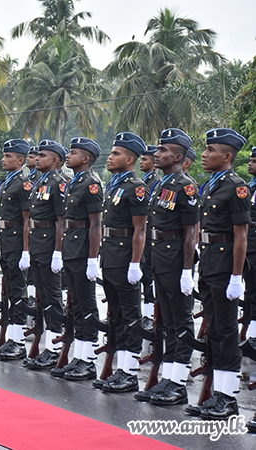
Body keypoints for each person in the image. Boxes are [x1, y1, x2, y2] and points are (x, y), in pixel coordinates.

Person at [186, 128, 248, 419]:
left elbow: (241, 236)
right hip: (210, 265)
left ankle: (228, 397)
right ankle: (216, 394)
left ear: (226, 156)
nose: (204, 154)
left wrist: (236, 276)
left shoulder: (236, 186)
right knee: (214, 332)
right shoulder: (210, 185)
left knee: (225, 332)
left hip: (225, 268)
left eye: (210, 150)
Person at [134, 128, 198, 406]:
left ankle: (179, 383)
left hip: (176, 259)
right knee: (168, 322)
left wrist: (186, 270)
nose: (156, 154)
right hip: (160, 256)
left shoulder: (186, 185)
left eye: (162, 150)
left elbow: (192, 232)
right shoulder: (161, 185)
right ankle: (167, 378)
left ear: (178, 156)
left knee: (181, 321)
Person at [94, 132, 148, 393]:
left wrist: (135, 263)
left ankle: (130, 372)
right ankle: (119, 369)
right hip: (111, 257)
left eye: (116, 153)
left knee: (130, 315)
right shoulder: (114, 185)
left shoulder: (135, 187)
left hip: (126, 256)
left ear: (129, 159)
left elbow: (140, 230)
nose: (110, 157)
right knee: (116, 314)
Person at [51, 137, 103, 380]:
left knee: (87, 305)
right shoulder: (74, 183)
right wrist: (60, 251)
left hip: (83, 250)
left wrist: (93, 258)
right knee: (76, 307)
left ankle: (89, 360)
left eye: (73, 153)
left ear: (85, 159)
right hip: (72, 248)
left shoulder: (91, 183)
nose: (68, 156)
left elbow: (95, 224)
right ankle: (79, 357)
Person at [21, 139, 67, 369]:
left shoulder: (58, 183)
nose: (37, 158)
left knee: (52, 298)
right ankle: (47, 345)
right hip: (38, 245)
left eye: (43, 155)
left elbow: (61, 221)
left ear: (56, 161)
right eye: (37, 155)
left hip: (50, 247)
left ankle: (55, 346)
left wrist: (58, 252)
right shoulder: (41, 182)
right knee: (42, 298)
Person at [0, 139, 31, 360]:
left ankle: (19, 342)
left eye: (8, 157)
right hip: (7, 242)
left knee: (19, 293)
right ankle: (11, 339)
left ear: (20, 160)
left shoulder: (23, 184)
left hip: (17, 243)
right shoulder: (5, 183)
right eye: (3, 156)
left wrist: (25, 250)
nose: (3, 159)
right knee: (11, 292)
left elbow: (27, 220)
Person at [140, 146, 162, 324]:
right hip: (142, 234)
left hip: (149, 235)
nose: (141, 161)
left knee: (149, 274)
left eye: (145, 159)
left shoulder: (156, 182)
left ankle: (149, 314)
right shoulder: (144, 181)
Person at [242, 147, 256, 356]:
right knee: (250, 293)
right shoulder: (250, 187)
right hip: (248, 248)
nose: (250, 163)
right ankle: (250, 336)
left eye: (254, 160)